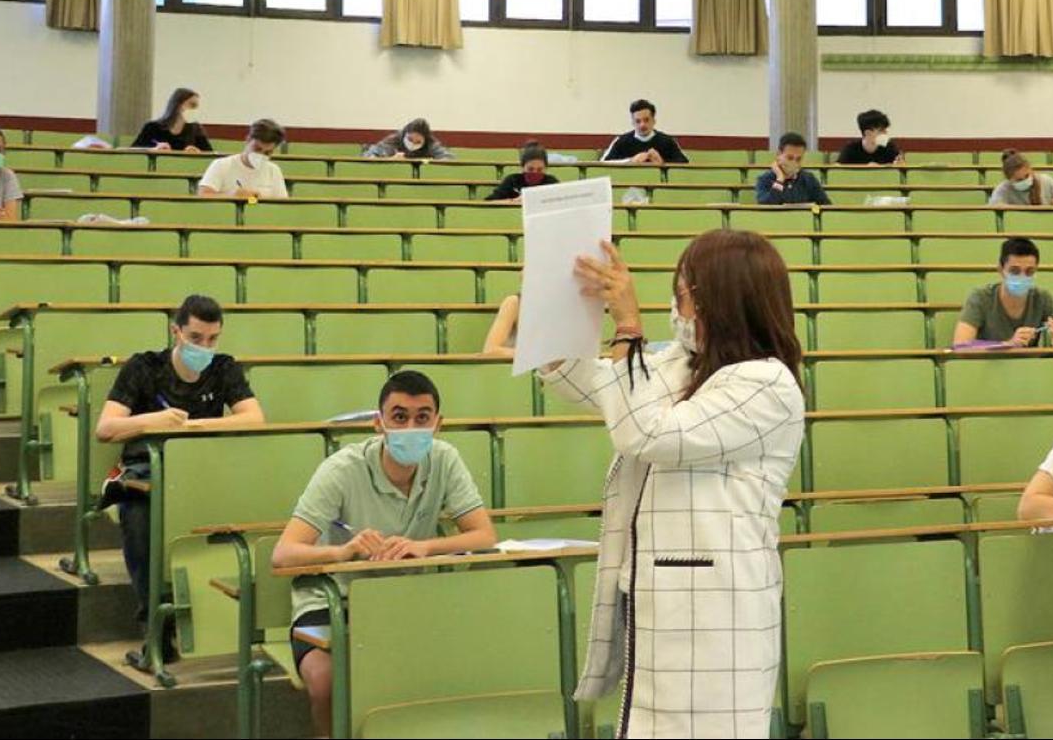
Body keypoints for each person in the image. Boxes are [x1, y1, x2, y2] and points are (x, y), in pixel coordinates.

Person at [541, 229, 805, 737]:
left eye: (683, 291)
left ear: (717, 300)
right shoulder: (683, 364)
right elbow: (594, 385)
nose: (675, 305)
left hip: (715, 614)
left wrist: (628, 327)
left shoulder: (765, 383)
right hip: (660, 600)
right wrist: (564, 311)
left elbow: (645, 432)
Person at [272, 370, 496, 737]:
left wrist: (425, 547)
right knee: (326, 680)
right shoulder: (341, 469)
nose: (411, 426)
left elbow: (483, 534)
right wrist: (345, 552)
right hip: (332, 600)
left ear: (438, 424)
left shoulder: (446, 459)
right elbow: (282, 555)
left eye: (422, 417)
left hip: (405, 600)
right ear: (379, 423)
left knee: (458, 667)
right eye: (399, 416)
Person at [94, 295, 265, 664]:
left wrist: (194, 426)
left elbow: (253, 418)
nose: (204, 346)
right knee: (138, 521)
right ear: (176, 332)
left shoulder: (223, 369)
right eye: (196, 337)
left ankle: (233, 624)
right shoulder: (144, 368)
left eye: (212, 338)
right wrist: (153, 422)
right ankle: (155, 634)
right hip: (146, 472)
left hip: (202, 470)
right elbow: (106, 428)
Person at [953, 238, 1053, 348]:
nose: (1022, 277)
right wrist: (1008, 344)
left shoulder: (1043, 298)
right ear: (1000, 269)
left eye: (1029, 272)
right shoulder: (980, 298)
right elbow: (960, 346)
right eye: (1014, 271)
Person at [197, 119, 288, 199]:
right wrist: (233, 196)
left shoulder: (274, 170)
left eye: (267, 153)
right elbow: (203, 195)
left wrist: (255, 199)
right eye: (257, 149)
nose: (261, 155)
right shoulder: (221, 165)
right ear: (247, 140)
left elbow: (282, 204)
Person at [599, 99, 689, 164]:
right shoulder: (621, 141)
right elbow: (602, 164)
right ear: (632, 123)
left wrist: (662, 162)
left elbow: (686, 165)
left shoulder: (668, 141)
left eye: (646, 120)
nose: (642, 125)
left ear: (654, 121)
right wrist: (630, 161)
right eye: (638, 121)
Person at [755, 132, 831, 206]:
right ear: (779, 154)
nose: (794, 162)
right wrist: (780, 179)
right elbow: (766, 207)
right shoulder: (764, 179)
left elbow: (826, 207)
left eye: (798, 159)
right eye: (790, 158)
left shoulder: (809, 179)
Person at [131, 88, 212, 152]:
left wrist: (198, 152)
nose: (195, 109)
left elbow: (211, 154)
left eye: (197, 106)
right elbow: (133, 150)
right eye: (192, 105)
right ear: (177, 105)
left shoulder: (196, 129)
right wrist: (154, 149)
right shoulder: (152, 127)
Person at [989, 149, 1053, 208]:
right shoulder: (1003, 189)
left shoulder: (1046, 181)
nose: (1024, 180)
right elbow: (993, 208)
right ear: (1009, 179)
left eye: (1027, 176)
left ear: (1031, 170)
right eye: (1019, 180)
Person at [485, 141, 559, 202]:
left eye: (540, 169)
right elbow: (490, 201)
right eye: (530, 169)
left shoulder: (551, 182)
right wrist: (514, 200)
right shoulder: (512, 180)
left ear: (546, 168)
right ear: (522, 167)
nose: (535, 172)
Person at [363, 118, 454, 160]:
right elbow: (369, 155)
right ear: (406, 134)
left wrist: (433, 163)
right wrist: (391, 159)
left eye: (418, 142)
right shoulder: (394, 140)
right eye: (410, 139)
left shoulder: (432, 144)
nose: (413, 143)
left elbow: (448, 157)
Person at [836, 109, 903, 165]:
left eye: (885, 129)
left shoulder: (890, 147)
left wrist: (900, 164)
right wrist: (867, 169)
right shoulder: (850, 149)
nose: (885, 133)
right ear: (868, 133)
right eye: (881, 130)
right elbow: (836, 169)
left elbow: (900, 168)